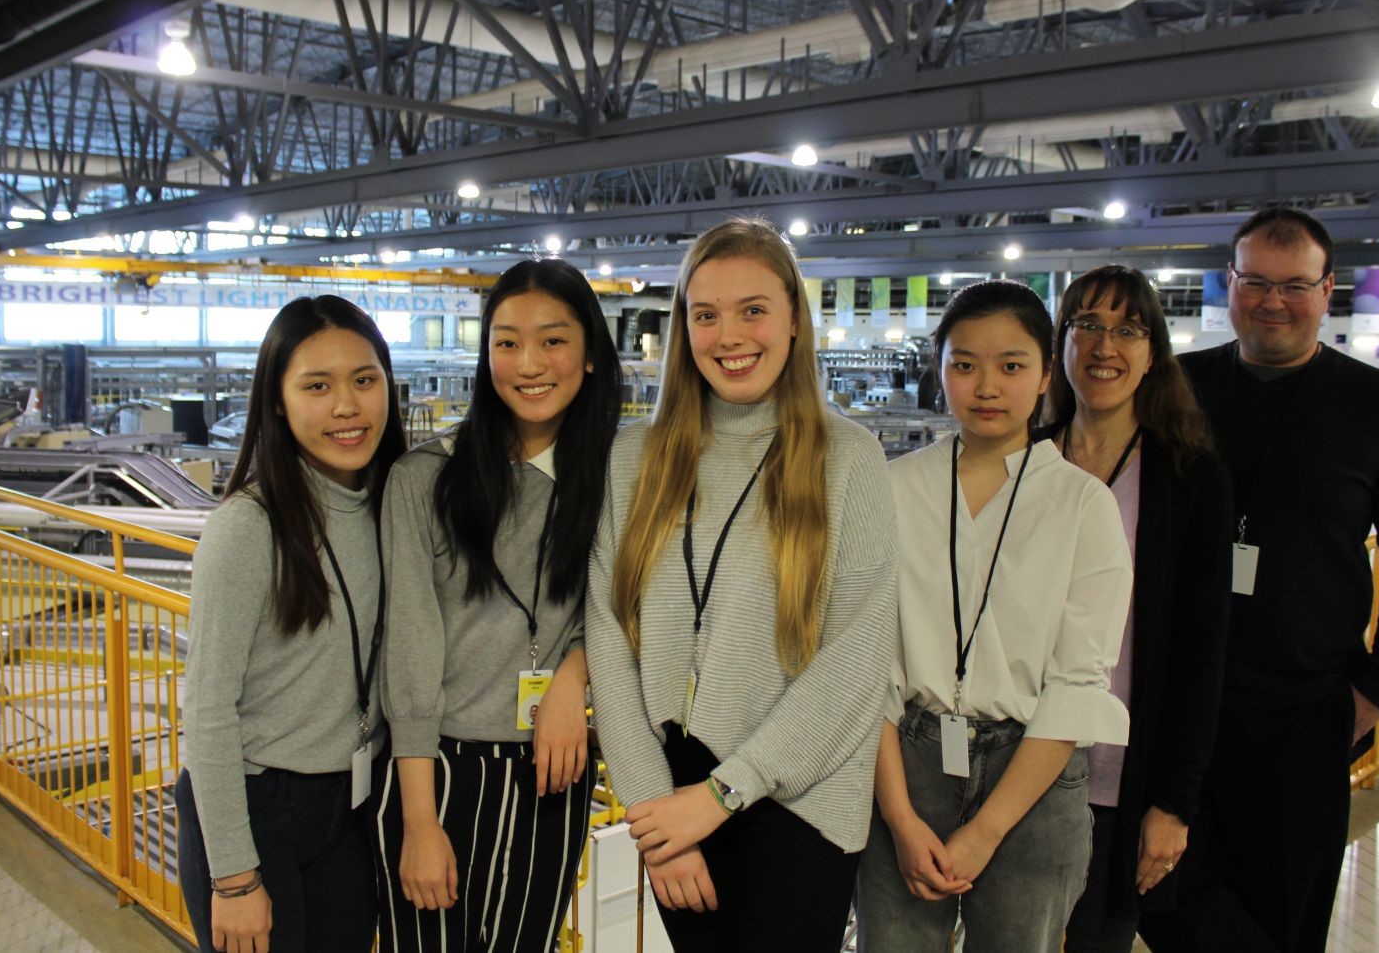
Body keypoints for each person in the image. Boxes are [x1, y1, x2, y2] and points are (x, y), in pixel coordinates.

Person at [1138, 208, 1379, 953]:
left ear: (1327, 289)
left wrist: (1374, 689)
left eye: (1294, 285)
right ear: (1231, 283)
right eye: (1256, 282)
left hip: (1307, 710)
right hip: (1181, 704)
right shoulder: (1179, 388)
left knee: (1287, 906)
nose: (1273, 301)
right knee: (1161, 890)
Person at [585, 217, 899, 952]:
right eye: (705, 314)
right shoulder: (634, 457)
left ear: (794, 320)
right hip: (672, 787)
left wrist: (721, 795)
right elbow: (607, 629)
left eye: (752, 309)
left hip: (798, 797)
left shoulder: (850, 459)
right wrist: (657, 806)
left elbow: (855, 661)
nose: (729, 335)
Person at [854, 279, 1133, 953]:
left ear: (1044, 376)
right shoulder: (893, 487)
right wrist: (897, 813)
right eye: (964, 363)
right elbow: (868, 665)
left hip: (1030, 774)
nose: (986, 386)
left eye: (1011, 366)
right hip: (909, 763)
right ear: (940, 368)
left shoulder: (1082, 504)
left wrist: (985, 831)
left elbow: (1076, 685)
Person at [374, 258, 621, 952]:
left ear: (591, 355)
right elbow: (411, 653)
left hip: (554, 774)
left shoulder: (615, 478)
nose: (528, 362)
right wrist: (420, 821)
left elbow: (625, 607)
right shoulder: (424, 479)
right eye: (506, 342)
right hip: (441, 770)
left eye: (553, 339)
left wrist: (574, 675)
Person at [176, 296, 406, 953]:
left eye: (365, 380)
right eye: (317, 385)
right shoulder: (248, 526)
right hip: (256, 808)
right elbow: (210, 707)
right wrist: (235, 879)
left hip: (351, 802)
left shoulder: (395, 504)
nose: (346, 406)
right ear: (277, 400)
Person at [1047, 266, 1233, 952]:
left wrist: (1174, 801)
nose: (1104, 346)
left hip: (1118, 779)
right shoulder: (1024, 462)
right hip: (1007, 769)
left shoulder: (1189, 478)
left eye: (1127, 329)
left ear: (1154, 351)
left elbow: (1200, 650)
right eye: (1086, 325)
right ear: (1060, 342)